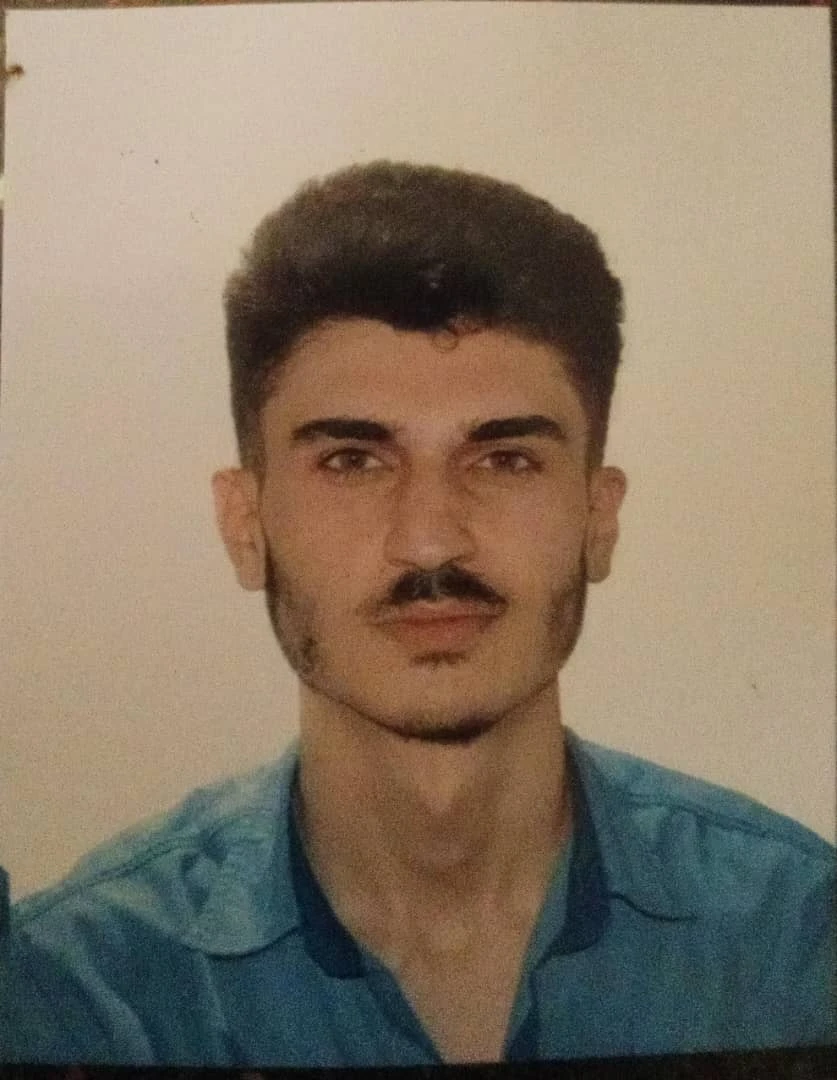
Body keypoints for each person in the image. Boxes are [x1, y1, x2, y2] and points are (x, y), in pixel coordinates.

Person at [3, 162, 834, 1066]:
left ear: (598, 521)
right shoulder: (82, 992)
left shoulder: (797, 943)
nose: (431, 541)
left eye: (505, 460)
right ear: (246, 527)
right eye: (352, 461)